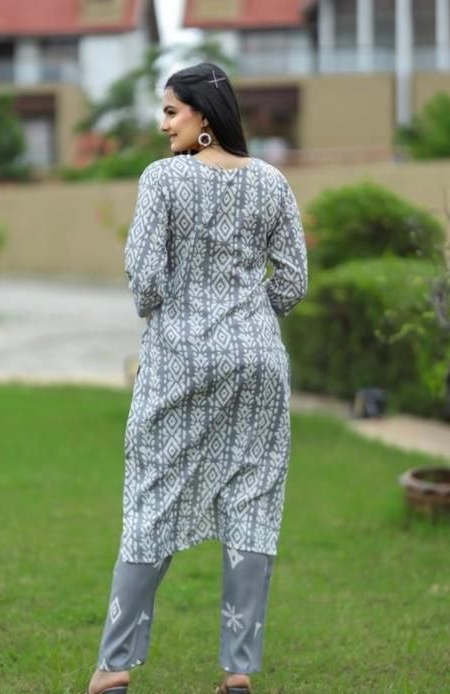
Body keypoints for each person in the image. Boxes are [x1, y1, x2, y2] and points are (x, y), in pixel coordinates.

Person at [87, 61, 308, 694]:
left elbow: (145, 280)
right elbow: (293, 281)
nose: (164, 125)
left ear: (203, 115)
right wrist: (247, 319)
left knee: (151, 500)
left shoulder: (162, 180)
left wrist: (179, 313)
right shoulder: (272, 182)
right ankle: (237, 671)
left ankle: (114, 668)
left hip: (180, 359)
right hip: (258, 363)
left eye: (170, 112)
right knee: (251, 505)